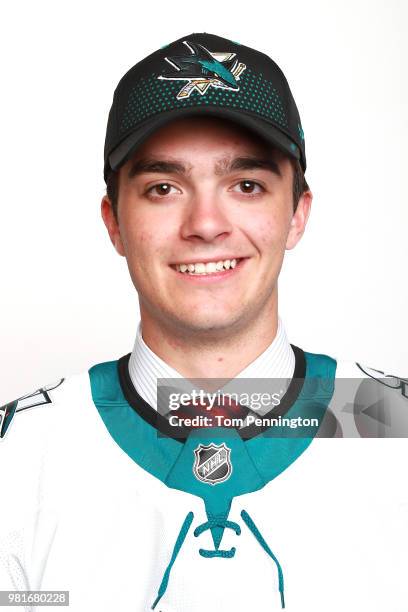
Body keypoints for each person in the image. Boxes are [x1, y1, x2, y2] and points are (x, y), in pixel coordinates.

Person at [1, 32, 407, 612]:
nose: (207, 223)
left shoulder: (393, 425)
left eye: (246, 185)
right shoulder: (21, 456)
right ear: (114, 222)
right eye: (164, 188)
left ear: (297, 214)